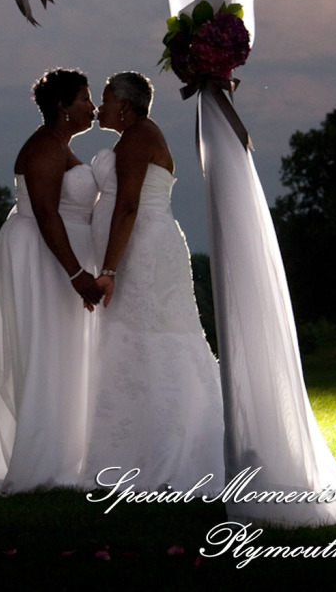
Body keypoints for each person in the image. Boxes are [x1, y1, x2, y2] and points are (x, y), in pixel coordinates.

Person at [82, 72, 225, 492]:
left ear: (124, 105)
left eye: (105, 99)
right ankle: (134, 447)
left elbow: (127, 206)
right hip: (142, 247)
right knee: (138, 340)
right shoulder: (135, 135)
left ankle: (169, 448)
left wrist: (107, 271)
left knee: (156, 337)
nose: (99, 107)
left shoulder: (138, 136)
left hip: (142, 252)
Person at [0, 69, 104, 492]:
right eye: (84, 98)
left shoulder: (60, 145)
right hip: (42, 258)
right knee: (46, 347)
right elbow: (46, 214)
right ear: (63, 107)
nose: (92, 107)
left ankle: (66, 449)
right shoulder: (45, 147)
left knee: (59, 349)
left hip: (52, 254)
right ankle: (44, 459)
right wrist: (77, 273)